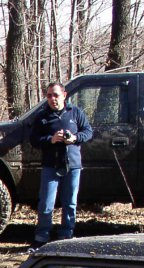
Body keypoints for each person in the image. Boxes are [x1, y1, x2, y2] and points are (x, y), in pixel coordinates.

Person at [29, 82, 93, 248]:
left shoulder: (75, 112)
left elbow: (88, 132)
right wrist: (50, 139)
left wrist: (74, 138)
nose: (53, 99)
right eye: (49, 95)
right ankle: (42, 236)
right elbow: (33, 140)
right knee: (46, 203)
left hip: (72, 165)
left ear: (64, 95)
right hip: (51, 165)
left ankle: (66, 235)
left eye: (56, 95)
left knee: (70, 202)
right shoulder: (42, 116)